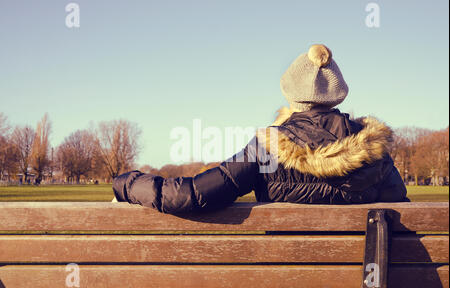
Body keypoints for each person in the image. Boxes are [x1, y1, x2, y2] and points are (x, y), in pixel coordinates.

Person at [112, 44, 408, 213]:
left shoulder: (267, 147)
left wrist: (126, 184)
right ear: (337, 95)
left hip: (284, 281)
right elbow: (403, 215)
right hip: (358, 282)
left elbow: (192, 196)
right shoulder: (374, 150)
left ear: (289, 95)